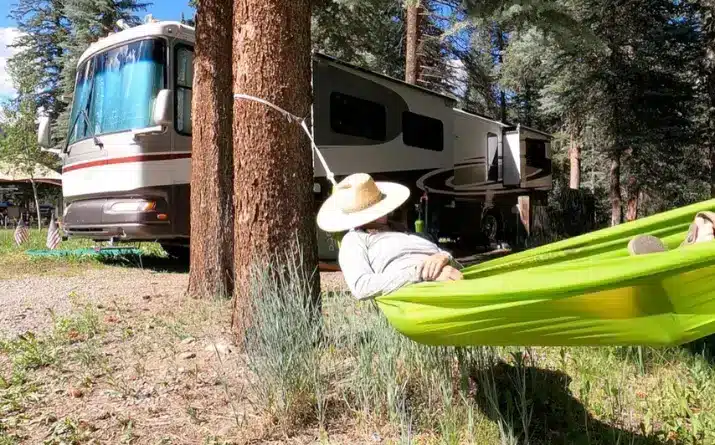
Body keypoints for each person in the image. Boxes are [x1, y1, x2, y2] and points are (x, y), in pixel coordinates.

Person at [317, 173, 463, 300]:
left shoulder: (404, 231)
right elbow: (361, 286)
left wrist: (443, 257)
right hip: (423, 293)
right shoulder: (355, 239)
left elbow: (453, 262)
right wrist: (422, 273)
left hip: (455, 280)